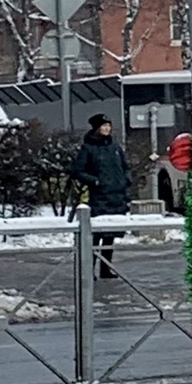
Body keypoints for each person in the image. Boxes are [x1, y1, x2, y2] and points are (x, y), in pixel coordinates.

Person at [66, 112, 131, 278]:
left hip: (117, 196)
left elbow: (125, 166)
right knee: (96, 235)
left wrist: (126, 180)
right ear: (96, 128)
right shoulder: (88, 148)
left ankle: (105, 269)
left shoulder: (115, 147)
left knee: (110, 236)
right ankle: (89, 270)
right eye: (103, 125)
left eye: (109, 125)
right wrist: (94, 181)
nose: (107, 128)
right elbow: (77, 170)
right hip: (99, 197)